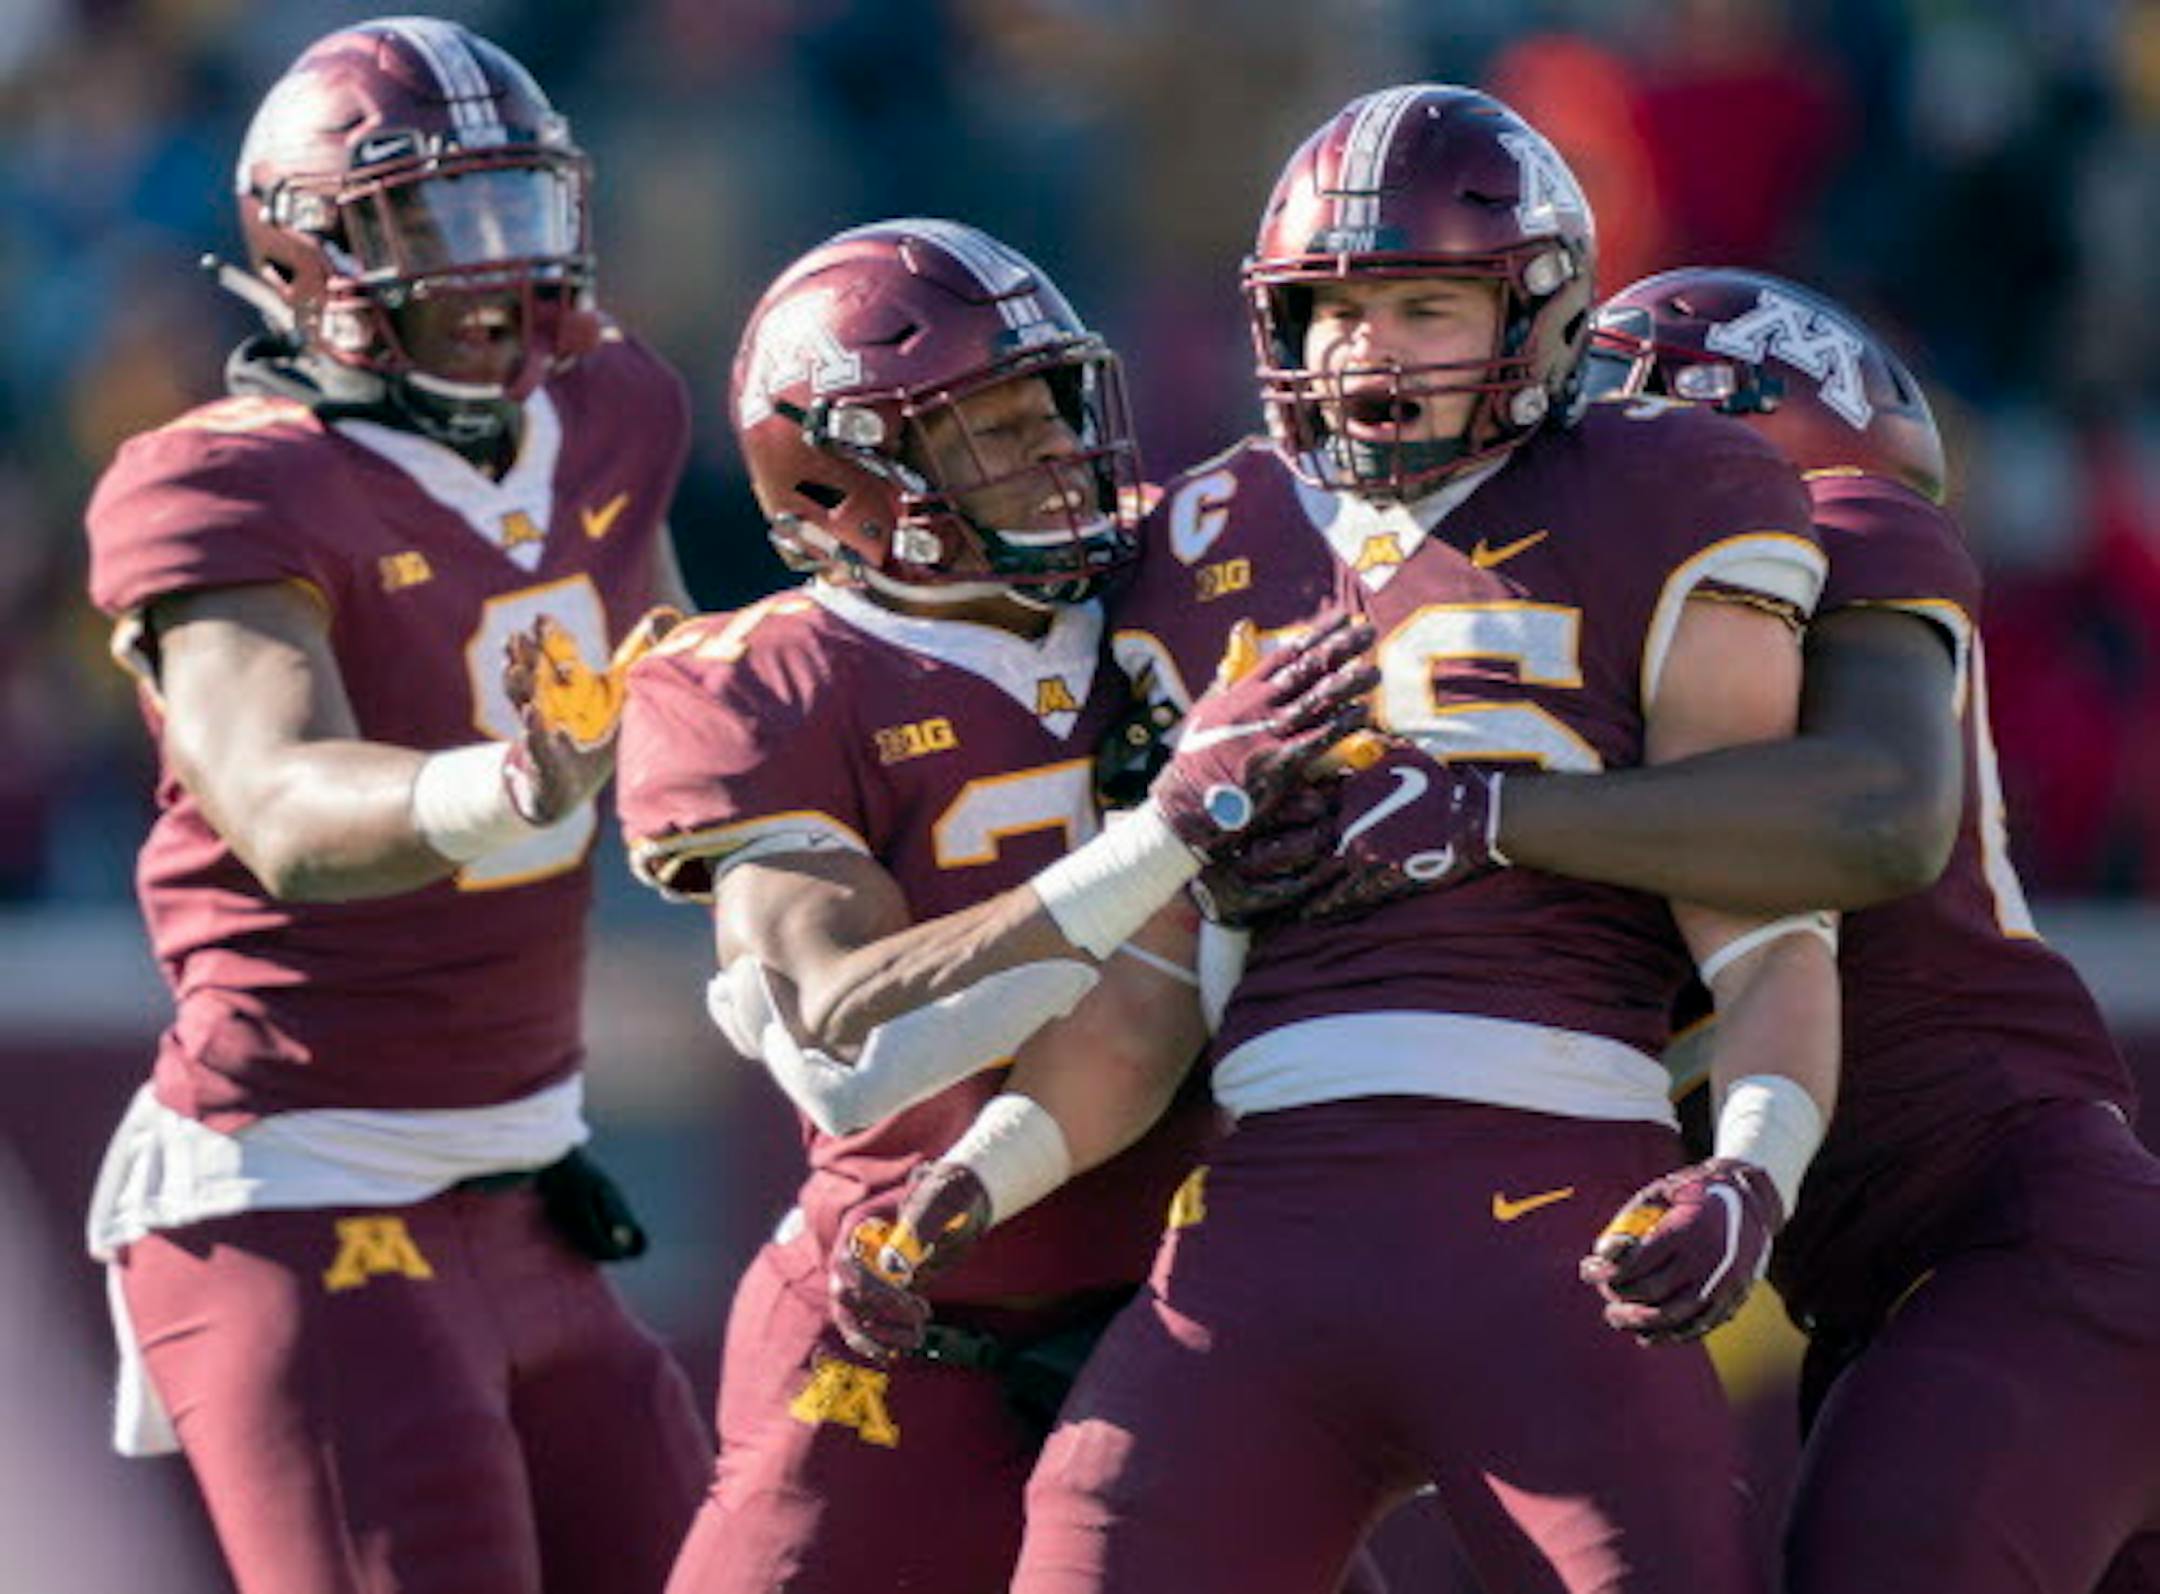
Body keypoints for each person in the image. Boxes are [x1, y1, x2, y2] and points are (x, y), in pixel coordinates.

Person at [989, 84, 1842, 1594]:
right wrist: (983, 1170)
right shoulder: (1202, 533)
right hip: (1262, 1214)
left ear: (1546, 313)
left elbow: (1768, 908)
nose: (1367, 349)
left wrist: (1754, 1169)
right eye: (1334, 308)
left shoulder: (1665, 490)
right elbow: (1151, 978)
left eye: (1425, 301)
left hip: (1564, 1199)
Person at [1340, 266, 2160, 1593]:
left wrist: (1485, 811)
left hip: (2023, 1254)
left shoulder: (1836, 526)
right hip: (1918, 1295)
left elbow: (1881, 815)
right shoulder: (1583, 684)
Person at [612, 218, 1376, 1594]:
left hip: (1188, 1323)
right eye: (985, 425)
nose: (1049, 449)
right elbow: (844, 1030)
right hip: (904, 1328)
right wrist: (1166, 840)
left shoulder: (1176, 575)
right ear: (840, 477)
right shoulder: (769, 681)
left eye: (1049, 405)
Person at [79, 20, 712, 1594]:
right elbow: (284, 799)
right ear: (310, 250)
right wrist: (513, 778)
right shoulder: (222, 483)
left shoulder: (615, 406)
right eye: (439, 222)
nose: (498, 268)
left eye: (520, 210)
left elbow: (685, 689)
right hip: (298, 1189)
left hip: (531, 1186)